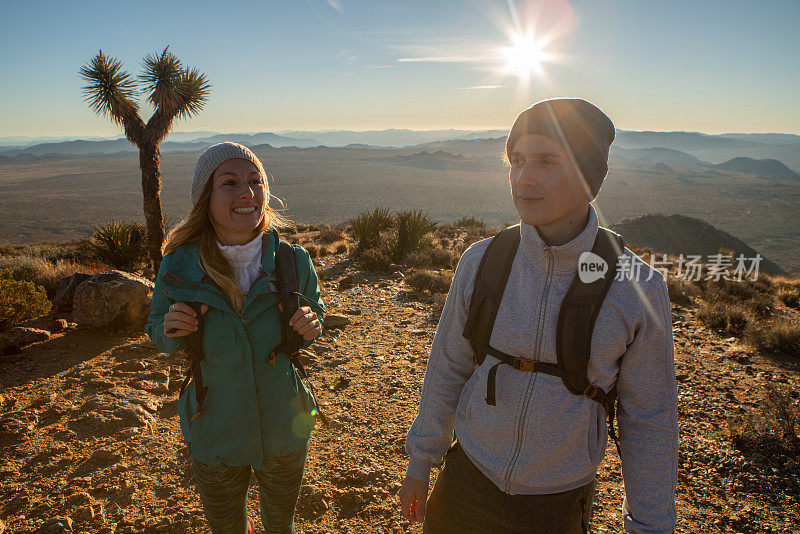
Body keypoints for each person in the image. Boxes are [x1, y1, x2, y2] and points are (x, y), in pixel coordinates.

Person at [399, 98, 678, 533]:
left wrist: (650, 525)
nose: (523, 179)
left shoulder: (636, 288)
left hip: (557, 504)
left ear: (590, 178)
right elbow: (447, 368)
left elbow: (650, 419)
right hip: (466, 482)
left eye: (547, 161)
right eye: (516, 160)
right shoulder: (481, 262)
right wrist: (420, 462)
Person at [145, 142, 324, 534]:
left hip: (284, 423)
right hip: (214, 430)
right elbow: (156, 329)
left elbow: (315, 316)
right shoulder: (179, 265)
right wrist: (171, 330)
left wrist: (312, 324)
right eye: (230, 183)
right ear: (205, 198)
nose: (247, 192)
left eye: (255, 181)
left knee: (281, 524)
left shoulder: (293, 260)